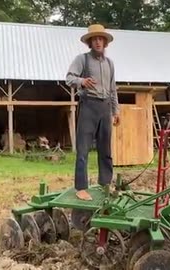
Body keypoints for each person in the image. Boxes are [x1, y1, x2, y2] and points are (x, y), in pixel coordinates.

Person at [65, 24, 120, 201]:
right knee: (83, 149)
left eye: (100, 39)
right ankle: (81, 187)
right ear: (90, 42)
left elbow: (113, 90)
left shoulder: (110, 63)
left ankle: (105, 184)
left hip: (105, 108)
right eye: (94, 39)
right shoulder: (82, 59)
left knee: (106, 149)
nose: (97, 42)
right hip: (88, 106)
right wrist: (81, 81)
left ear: (105, 42)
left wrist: (115, 110)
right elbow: (69, 78)